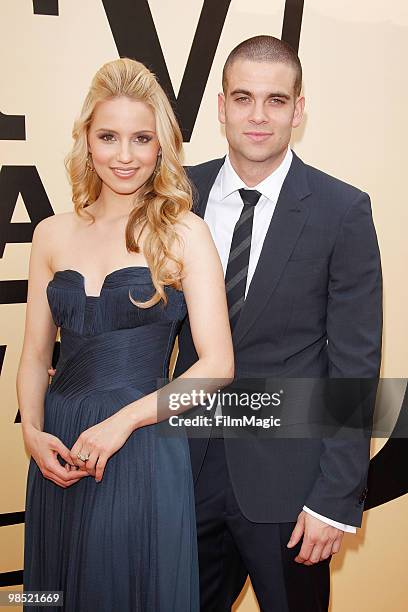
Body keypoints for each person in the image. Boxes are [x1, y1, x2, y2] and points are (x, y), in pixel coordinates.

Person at [174, 36, 383, 611]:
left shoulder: (341, 211)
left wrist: (335, 497)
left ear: (298, 108)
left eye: (275, 99)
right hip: (180, 474)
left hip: (292, 489)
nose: (258, 115)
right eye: (243, 98)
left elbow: (355, 366)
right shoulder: (175, 197)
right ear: (220, 106)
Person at [17, 58, 233, 612]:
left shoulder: (185, 233)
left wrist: (123, 423)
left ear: (161, 146)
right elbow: (34, 354)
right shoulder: (50, 235)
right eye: (109, 136)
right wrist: (33, 432)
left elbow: (216, 367)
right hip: (58, 448)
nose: (125, 155)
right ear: (86, 140)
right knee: (55, 593)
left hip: (139, 445)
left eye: (142, 138)